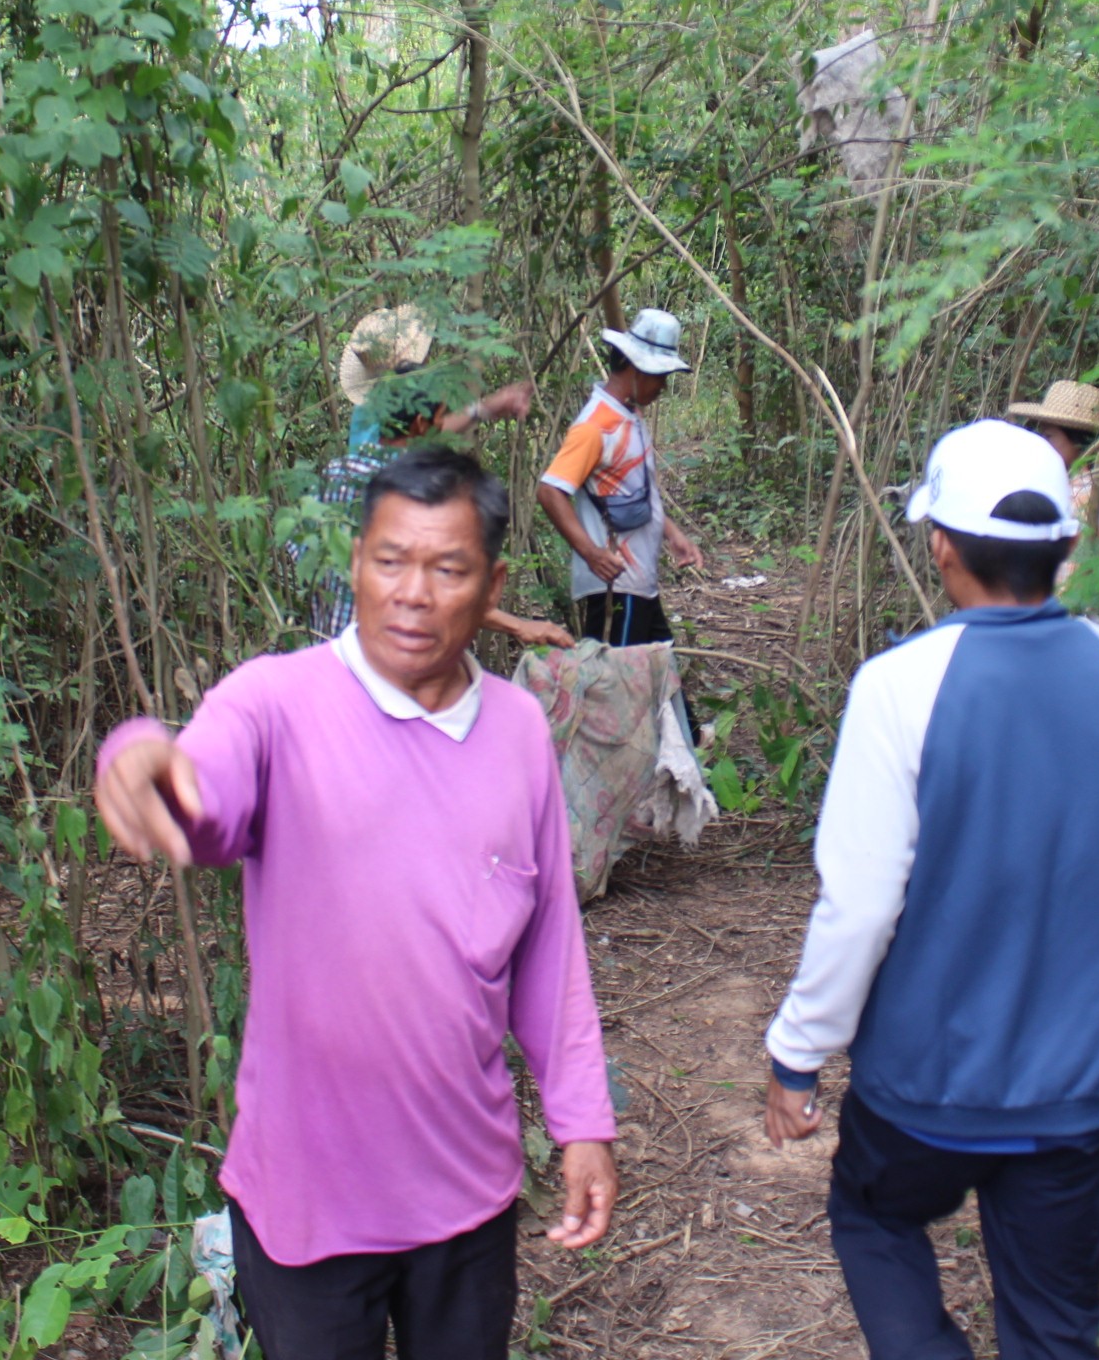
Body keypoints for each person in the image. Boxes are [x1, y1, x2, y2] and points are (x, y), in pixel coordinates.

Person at [96, 446, 619, 1360]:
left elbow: (548, 951)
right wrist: (144, 759)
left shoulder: (518, 731)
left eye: (448, 568)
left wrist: (582, 1123)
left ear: (490, 583)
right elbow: (205, 793)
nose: (413, 593)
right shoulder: (274, 703)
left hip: (468, 1193)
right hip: (307, 1200)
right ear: (356, 564)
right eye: (390, 561)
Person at [759, 420, 1099, 1360]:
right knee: (1056, 1327)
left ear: (940, 545)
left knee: (874, 1219)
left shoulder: (899, 689)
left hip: (925, 1088)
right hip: (1081, 1092)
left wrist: (798, 1054)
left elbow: (861, 902)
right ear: (1067, 546)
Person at [312, 307, 571, 648]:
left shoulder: (336, 473)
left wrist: (487, 407)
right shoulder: (409, 495)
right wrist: (517, 625)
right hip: (381, 655)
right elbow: (433, 591)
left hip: (328, 647)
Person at [535, 307, 704, 648]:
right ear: (634, 368)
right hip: (616, 589)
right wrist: (592, 553)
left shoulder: (627, 416)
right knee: (620, 692)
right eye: (660, 375)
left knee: (659, 684)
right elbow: (549, 491)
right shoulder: (594, 426)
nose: (663, 386)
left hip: (638, 586)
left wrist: (673, 533)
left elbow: (637, 489)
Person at [1009, 378, 1099, 555]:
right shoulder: (1070, 487)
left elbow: (1069, 577)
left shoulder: (1082, 501)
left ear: (1077, 442)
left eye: (1049, 437)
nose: (1042, 445)